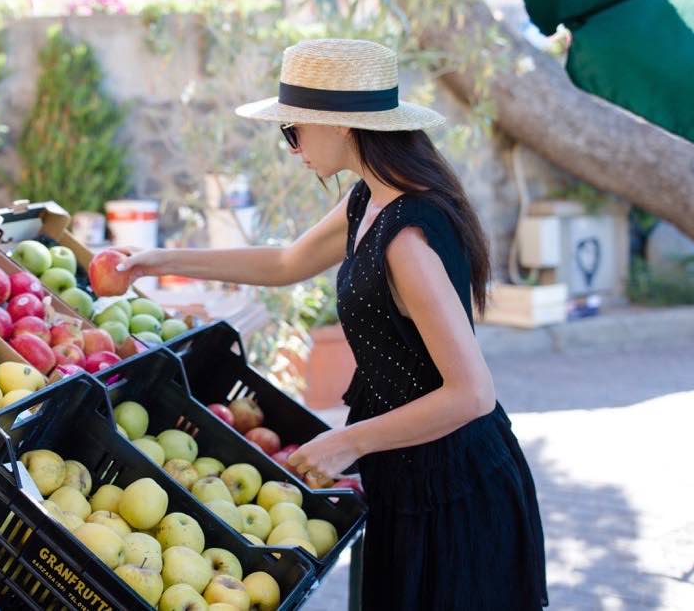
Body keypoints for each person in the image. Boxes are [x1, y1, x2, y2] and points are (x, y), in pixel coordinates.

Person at [116, 39, 548, 609]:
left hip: (454, 494)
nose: (291, 146)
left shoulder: (407, 240)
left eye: (294, 129)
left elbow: (471, 393)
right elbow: (285, 263)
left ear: (343, 125)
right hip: (405, 477)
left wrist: (345, 442)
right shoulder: (368, 201)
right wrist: (161, 261)